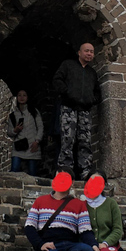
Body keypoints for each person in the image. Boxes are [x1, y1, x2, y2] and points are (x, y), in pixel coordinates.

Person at [52, 42, 101, 179]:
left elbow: (97, 92)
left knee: (85, 140)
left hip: (85, 110)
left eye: (92, 51)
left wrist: (91, 100)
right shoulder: (68, 65)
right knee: (68, 138)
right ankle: (65, 169)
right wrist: (68, 94)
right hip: (69, 108)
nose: (89, 54)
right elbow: (57, 80)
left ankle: (85, 169)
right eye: (86, 51)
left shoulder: (92, 73)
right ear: (79, 52)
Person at [7, 89, 44, 176]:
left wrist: (37, 141)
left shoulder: (34, 112)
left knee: (32, 173)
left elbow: (40, 127)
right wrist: (15, 130)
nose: (22, 97)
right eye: (19, 95)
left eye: (24, 95)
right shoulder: (13, 115)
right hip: (19, 147)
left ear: (27, 97)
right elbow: (9, 132)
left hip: (32, 146)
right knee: (14, 170)